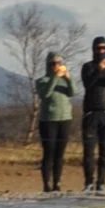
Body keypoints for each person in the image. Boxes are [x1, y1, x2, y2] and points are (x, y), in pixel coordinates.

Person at [78, 37, 105, 191]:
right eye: (99, 48)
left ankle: (102, 182)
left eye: (104, 48)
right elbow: (87, 84)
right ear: (94, 49)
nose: (101, 51)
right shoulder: (88, 67)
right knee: (89, 151)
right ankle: (89, 182)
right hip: (91, 113)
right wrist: (99, 68)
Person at [33, 50, 74, 193]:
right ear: (48, 65)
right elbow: (46, 94)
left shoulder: (64, 80)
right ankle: (47, 184)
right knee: (49, 153)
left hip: (65, 119)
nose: (56, 66)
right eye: (53, 64)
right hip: (48, 120)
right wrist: (55, 78)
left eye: (59, 63)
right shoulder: (42, 81)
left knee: (59, 154)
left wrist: (69, 79)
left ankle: (57, 183)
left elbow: (72, 92)